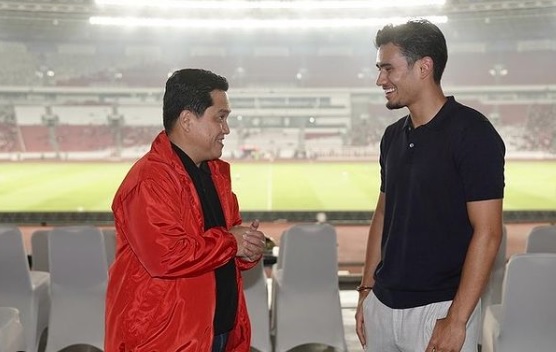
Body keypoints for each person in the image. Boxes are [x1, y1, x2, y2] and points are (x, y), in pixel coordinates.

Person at [355, 19, 505, 352]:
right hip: (382, 304)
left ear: (424, 67)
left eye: (388, 68)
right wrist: (367, 291)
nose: (380, 79)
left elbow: (489, 232)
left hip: (439, 311)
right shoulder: (392, 136)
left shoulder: (472, 133)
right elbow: (383, 214)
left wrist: (457, 319)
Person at [105, 68, 267, 352]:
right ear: (187, 121)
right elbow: (166, 256)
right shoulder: (149, 181)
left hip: (217, 332)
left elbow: (226, 244)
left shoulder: (215, 173)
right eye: (220, 117)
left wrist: (247, 250)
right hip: (166, 339)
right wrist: (232, 242)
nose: (226, 129)